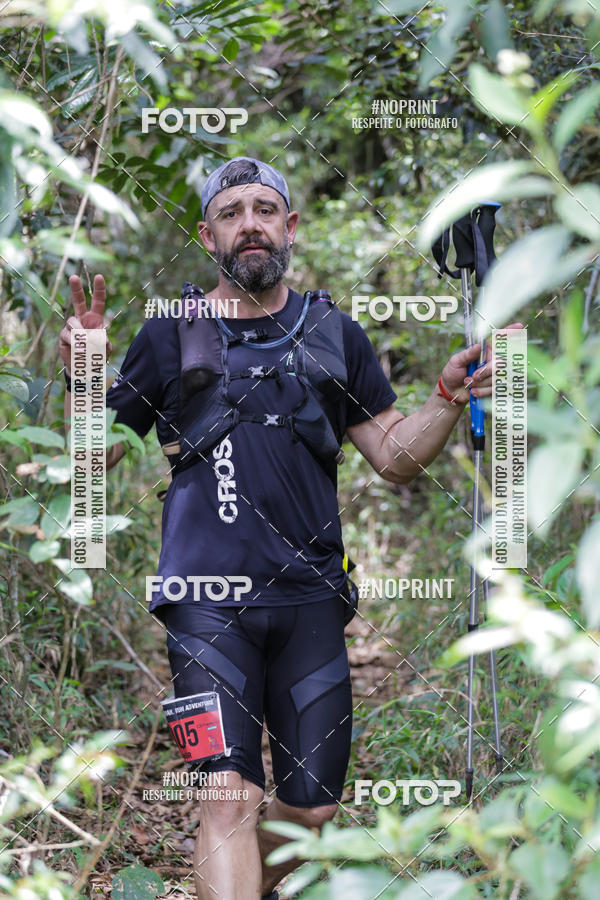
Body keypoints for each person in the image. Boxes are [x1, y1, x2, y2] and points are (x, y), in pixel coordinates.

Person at [59, 156, 519, 899]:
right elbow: (95, 457)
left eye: (264, 210)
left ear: (290, 227)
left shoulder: (336, 333)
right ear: (207, 234)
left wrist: (443, 398)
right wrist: (86, 377)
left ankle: (251, 882)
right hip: (202, 607)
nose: (250, 225)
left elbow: (394, 457)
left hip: (310, 601)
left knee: (311, 810)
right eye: (232, 212)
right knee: (225, 796)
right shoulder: (171, 333)